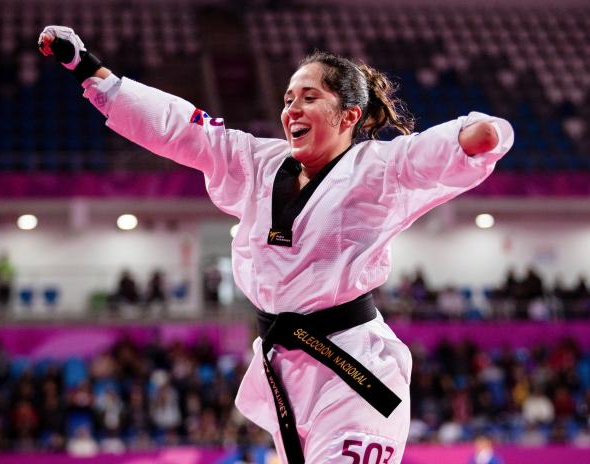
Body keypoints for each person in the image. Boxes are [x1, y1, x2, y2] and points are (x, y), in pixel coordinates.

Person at [38, 25, 514, 463]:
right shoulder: (259, 162)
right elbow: (182, 129)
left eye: (309, 97)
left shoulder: (377, 168)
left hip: (355, 372)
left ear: (349, 114)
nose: (292, 109)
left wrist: (476, 137)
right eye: (288, 99)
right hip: (286, 373)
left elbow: (435, 150)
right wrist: (91, 70)